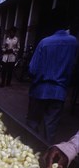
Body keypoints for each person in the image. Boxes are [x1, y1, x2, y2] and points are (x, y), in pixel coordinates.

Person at [27, 11, 78, 145]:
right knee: (50, 128)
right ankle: (44, 156)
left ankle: (31, 152)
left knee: (32, 124)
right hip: (59, 92)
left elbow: (32, 69)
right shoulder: (74, 43)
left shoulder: (45, 42)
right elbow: (74, 66)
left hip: (40, 90)